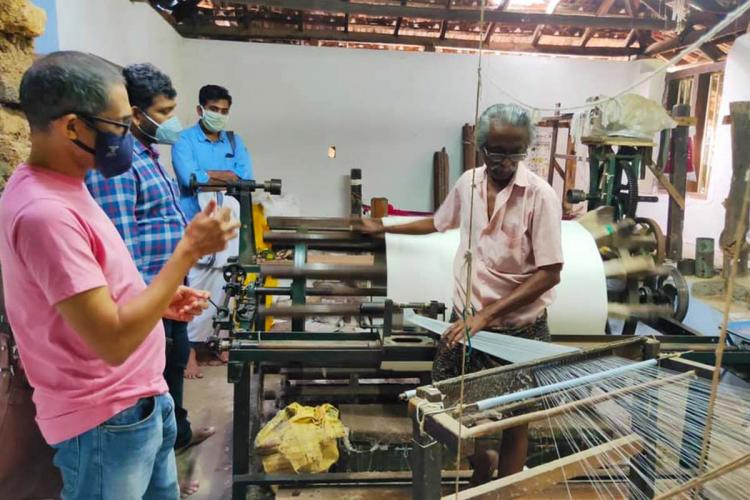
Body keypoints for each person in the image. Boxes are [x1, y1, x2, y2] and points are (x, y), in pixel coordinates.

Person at [0, 51, 238, 500]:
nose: (128, 136)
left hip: (138, 401)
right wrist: (187, 251)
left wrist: (155, 297)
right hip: (104, 417)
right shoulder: (44, 213)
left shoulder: (68, 184)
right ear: (73, 126)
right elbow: (110, 341)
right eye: (118, 125)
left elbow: (96, 289)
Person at [361, 104, 563, 485]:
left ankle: (505, 491)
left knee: (516, 420)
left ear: (525, 150)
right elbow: (438, 222)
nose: (504, 161)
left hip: (519, 331)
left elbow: (550, 272)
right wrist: (384, 228)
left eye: (514, 152)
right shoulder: (468, 183)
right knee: (449, 405)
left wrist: (486, 316)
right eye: (495, 151)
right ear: (479, 146)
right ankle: (480, 463)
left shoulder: (540, 197)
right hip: (467, 321)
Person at [85, 63, 213, 496]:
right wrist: (148, 300)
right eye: (165, 110)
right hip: (143, 298)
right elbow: (118, 247)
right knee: (151, 385)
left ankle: (173, 448)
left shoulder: (145, 154)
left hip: (164, 293)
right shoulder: (118, 166)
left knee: (170, 371)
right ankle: (158, 464)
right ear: (135, 113)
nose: (172, 120)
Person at [172, 84, 252, 379]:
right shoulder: (185, 141)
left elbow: (245, 179)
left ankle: (218, 341)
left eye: (224, 111)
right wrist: (223, 177)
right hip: (195, 222)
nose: (219, 116)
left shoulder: (234, 142)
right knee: (194, 281)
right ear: (200, 110)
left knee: (226, 278)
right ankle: (189, 351)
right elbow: (189, 177)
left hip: (227, 223)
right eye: (214, 110)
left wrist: (210, 178)